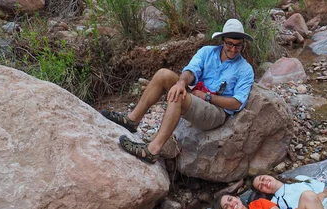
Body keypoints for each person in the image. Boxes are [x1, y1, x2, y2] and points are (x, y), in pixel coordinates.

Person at [102, 19, 255, 163]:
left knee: (178, 97)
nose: (234, 49)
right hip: (197, 98)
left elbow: (236, 103)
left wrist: (207, 97)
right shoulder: (207, 52)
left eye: (238, 45)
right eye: (229, 44)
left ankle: (152, 150)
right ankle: (132, 120)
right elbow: (191, 71)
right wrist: (181, 83)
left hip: (216, 112)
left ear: (243, 45)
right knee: (164, 74)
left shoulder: (245, 69)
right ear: (222, 41)